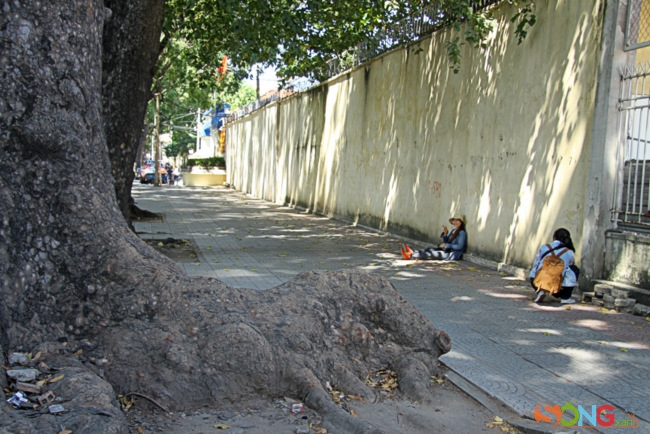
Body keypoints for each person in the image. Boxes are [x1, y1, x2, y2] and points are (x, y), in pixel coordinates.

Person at [529, 228, 579, 304]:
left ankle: (540, 291)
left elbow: (536, 263)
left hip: (539, 281)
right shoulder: (570, 252)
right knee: (574, 269)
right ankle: (565, 297)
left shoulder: (544, 247)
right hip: (558, 286)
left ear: (554, 237)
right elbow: (570, 265)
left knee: (535, 270)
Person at [401, 215, 467, 261]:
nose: (455, 222)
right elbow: (446, 241)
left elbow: (460, 246)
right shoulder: (454, 231)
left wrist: (447, 245)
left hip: (451, 254)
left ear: (461, 222)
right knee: (429, 249)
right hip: (446, 250)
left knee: (432, 254)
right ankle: (413, 252)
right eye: (454, 221)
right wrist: (445, 234)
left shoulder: (462, 232)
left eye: (457, 220)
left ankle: (411, 255)